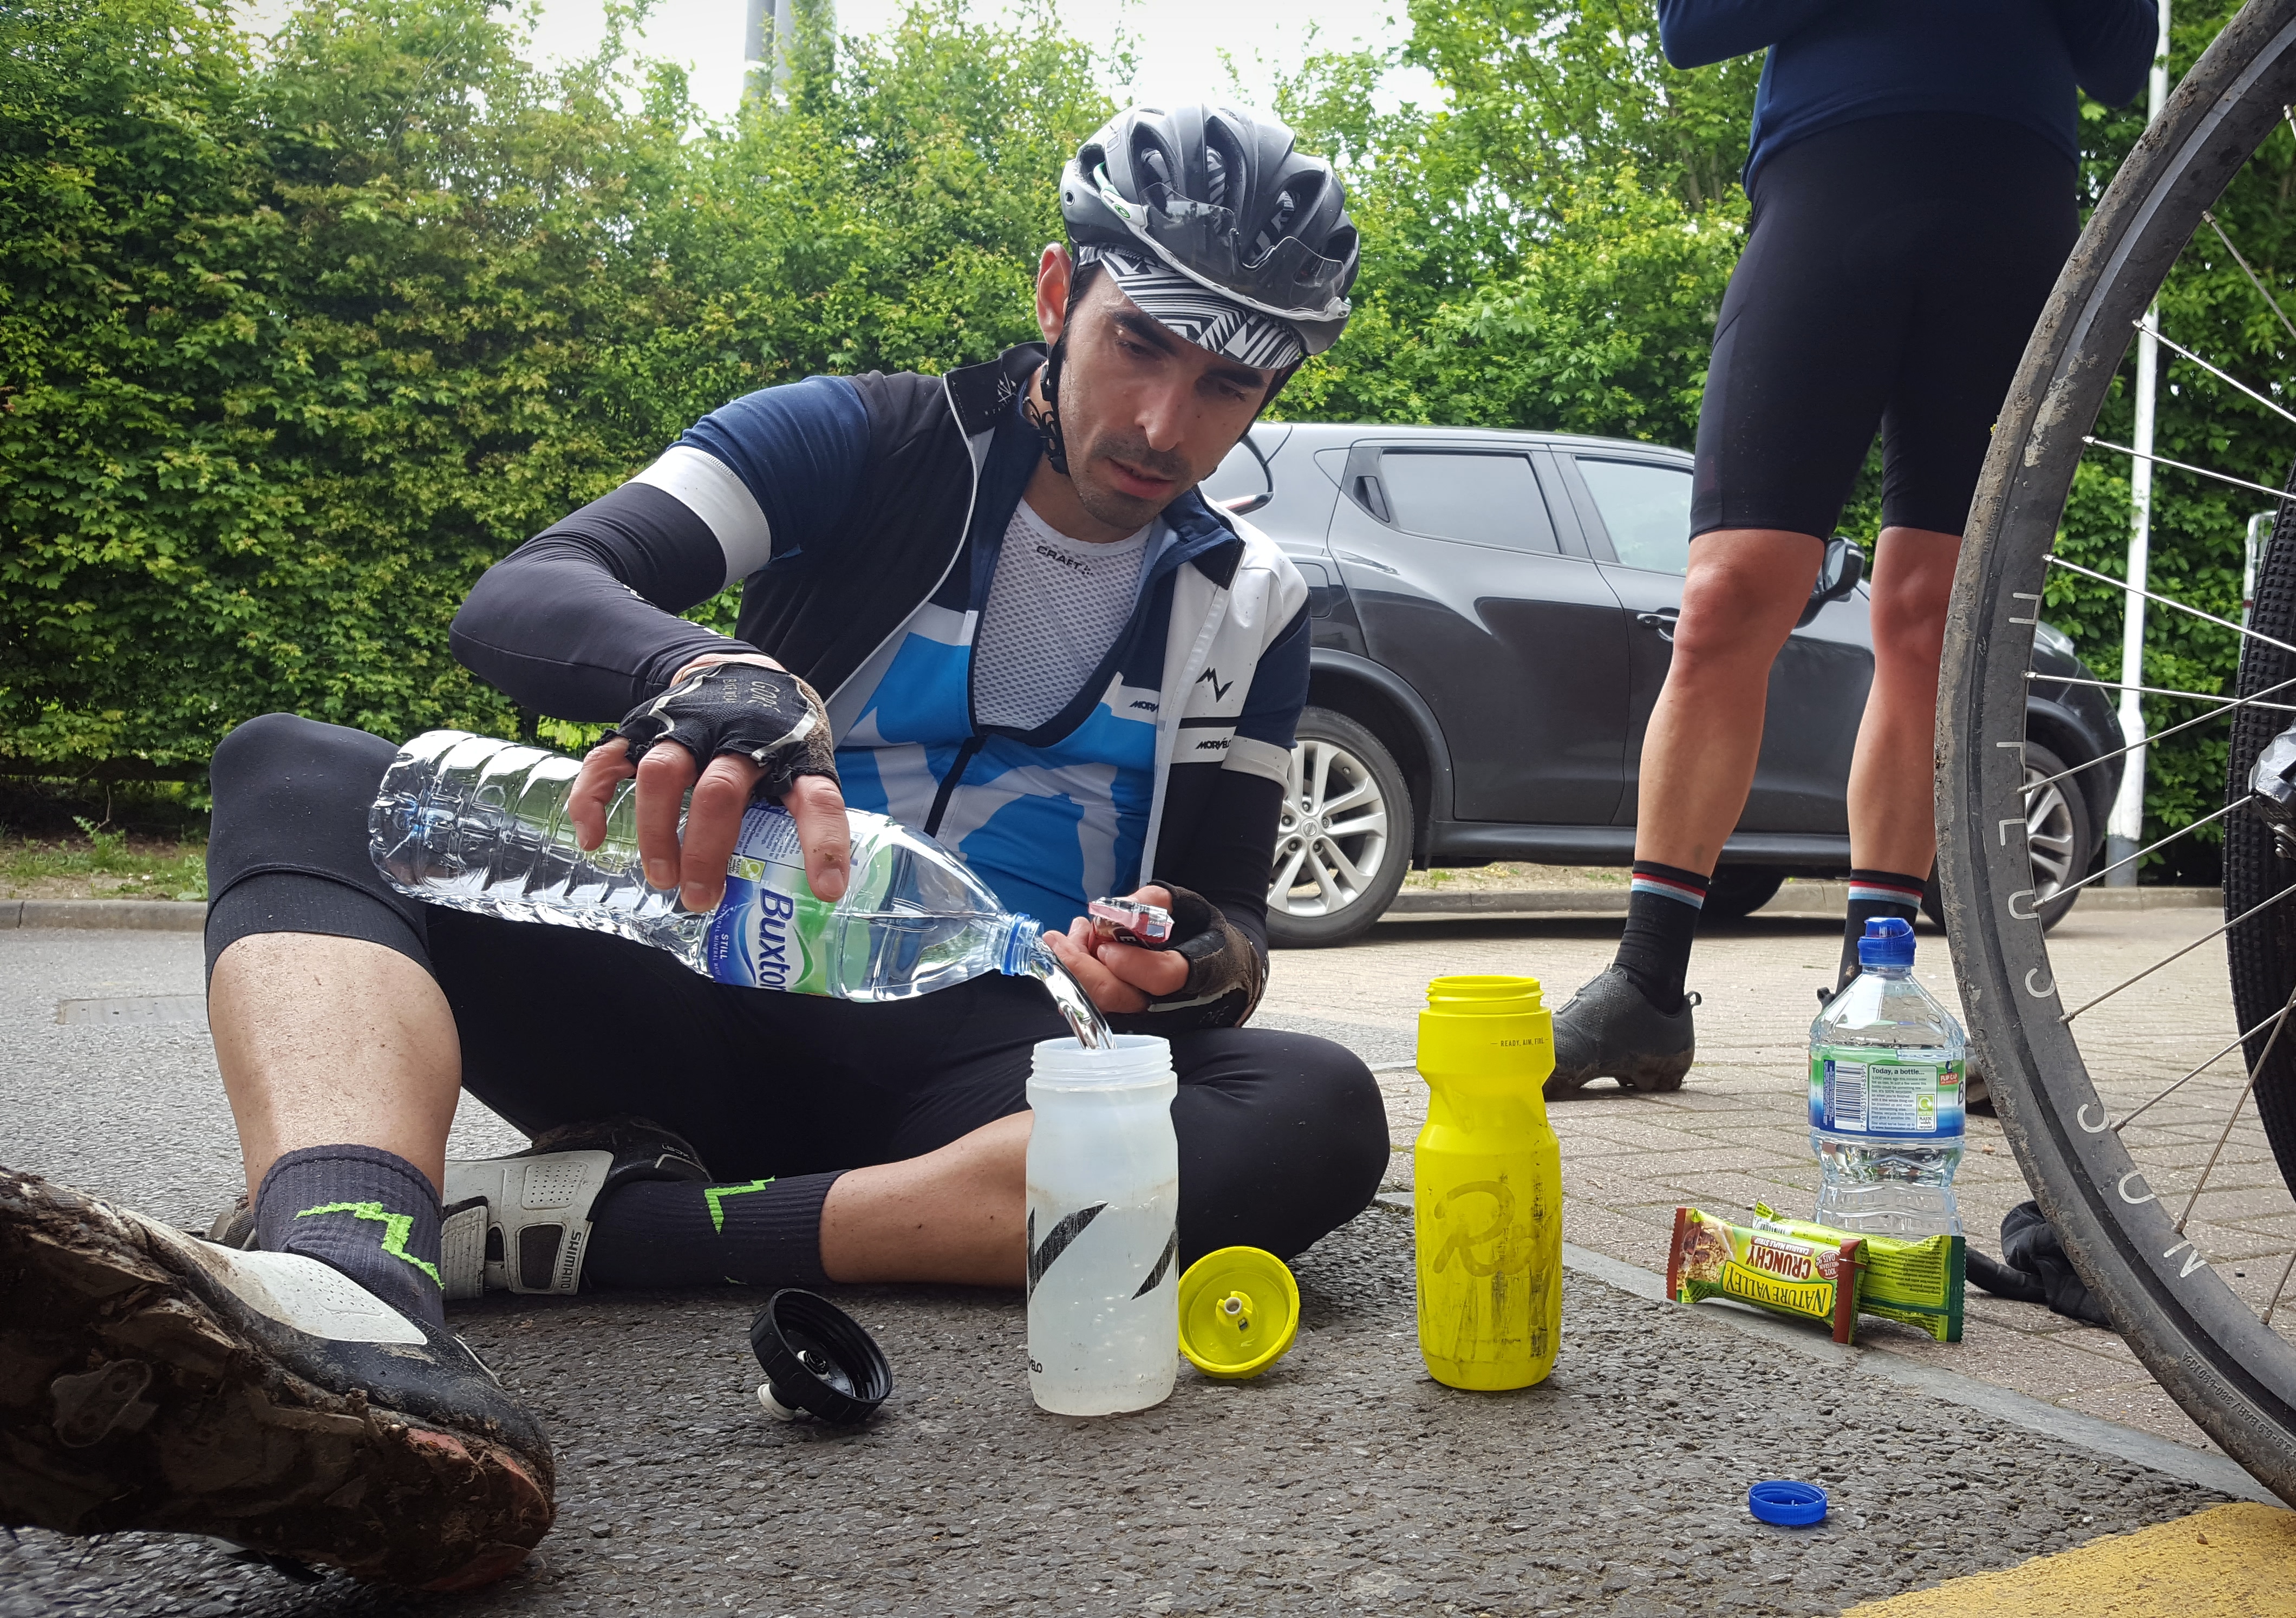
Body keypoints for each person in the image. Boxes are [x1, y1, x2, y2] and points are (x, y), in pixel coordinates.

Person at [0, 103, 1385, 1589]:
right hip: (706, 981)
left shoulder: (1256, 600)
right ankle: (351, 1299)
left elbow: (1232, 928)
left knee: (1314, 1103)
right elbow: (529, 591)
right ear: (1058, 294)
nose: (1165, 423)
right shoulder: (861, 436)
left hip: (982, 1073)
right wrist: (708, 672)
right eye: (1139, 346)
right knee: (296, 769)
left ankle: (598, 1231)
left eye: (1229, 383)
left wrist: (1181, 954)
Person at [1547, 0, 2157, 1093]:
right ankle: (1645, 986)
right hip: (1827, 175)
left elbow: (2121, 58)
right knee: (1728, 594)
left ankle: (1876, 994)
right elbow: (1689, 26)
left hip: (2013, 201)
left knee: (1931, 616)